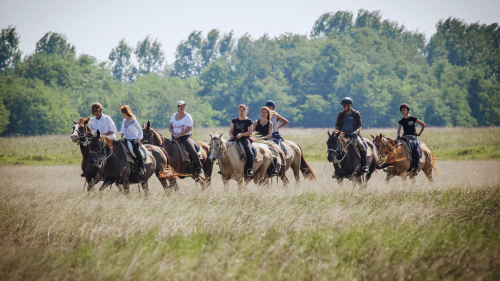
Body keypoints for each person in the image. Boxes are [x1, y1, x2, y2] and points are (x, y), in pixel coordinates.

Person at [80, 102, 117, 177]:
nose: (96, 113)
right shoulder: (92, 121)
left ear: (100, 111)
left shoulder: (107, 118)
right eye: (94, 111)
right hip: (97, 140)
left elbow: (113, 130)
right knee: (89, 151)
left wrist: (102, 136)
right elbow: (90, 132)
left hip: (108, 140)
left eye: (97, 111)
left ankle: (114, 169)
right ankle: (86, 169)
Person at [334, 97, 368, 174]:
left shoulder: (356, 113)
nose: (343, 107)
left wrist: (356, 132)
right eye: (342, 106)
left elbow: (359, 126)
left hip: (354, 134)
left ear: (349, 105)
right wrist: (337, 131)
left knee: (361, 145)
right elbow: (337, 126)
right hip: (343, 135)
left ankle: (365, 165)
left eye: (345, 105)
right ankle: (336, 170)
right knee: (335, 147)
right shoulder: (340, 114)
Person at [169, 100, 203, 176]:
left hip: (185, 137)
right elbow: (170, 127)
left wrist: (180, 134)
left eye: (183, 106)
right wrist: (173, 133)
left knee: (192, 150)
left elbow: (189, 128)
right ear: (177, 107)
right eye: (180, 106)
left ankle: (198, 166)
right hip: (175, 137)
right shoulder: (174, 115)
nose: (182, 108)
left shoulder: (188, 116)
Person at [397, 103, 426, 176]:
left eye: (404, 110)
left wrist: (419, 134)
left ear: (407, 110)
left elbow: (423, 125)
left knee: (415, 150)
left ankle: (416, 168)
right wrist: (398, 135)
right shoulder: (401, 121)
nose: (403, 111)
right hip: (404, 137)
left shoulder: (413, 119)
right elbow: (399, 129)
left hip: (413, 137)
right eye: (402, 110)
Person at [120, 105, 145, 175]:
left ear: (125, 112)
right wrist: (122, 136)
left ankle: (142, 167)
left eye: (121, 112)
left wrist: (138, 139)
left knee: (136, 150)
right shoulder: (124, 121)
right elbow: (122, 131)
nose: (121, 114)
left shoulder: (133, 120)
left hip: (133, 140)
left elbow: (140, 130)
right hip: (126, 139)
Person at [253, 106, 279, 175]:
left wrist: (262, 138)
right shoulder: (256, 122)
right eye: (262, 112)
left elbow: (269, 134)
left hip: (266, 140)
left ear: (268, 114)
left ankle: (274, 168)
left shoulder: (270, 123)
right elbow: (251, 131)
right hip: (256, 140)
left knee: (275, 152)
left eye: (265, 112)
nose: (264, 113)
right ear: (260, 113)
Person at [230, 104, 254, 176]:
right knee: (224, 149)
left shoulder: (248, 121)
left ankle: (250, 168)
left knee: (249, 152)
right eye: (239, 110)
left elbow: (250, 132)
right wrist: (231, 135)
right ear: (238, 111)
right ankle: (223, 168)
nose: (241, 112)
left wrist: (241, 134)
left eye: (242, 110)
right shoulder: (234, 120)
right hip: (234, 138)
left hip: (244, 139)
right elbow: (231, 131)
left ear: (245, 111)